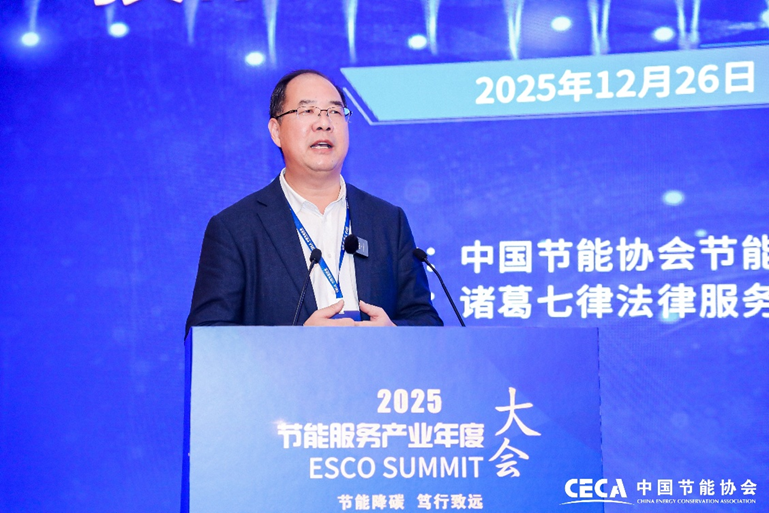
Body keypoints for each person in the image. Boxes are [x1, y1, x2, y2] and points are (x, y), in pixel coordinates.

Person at [185, 69, 442, 335]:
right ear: (276, 131)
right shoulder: (236, 228)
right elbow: (206, 333)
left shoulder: (387, 221)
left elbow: (425, 319)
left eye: (334, 112)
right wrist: (299, 343)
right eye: (307, 111)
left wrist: (394, 333)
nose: (324, 123)